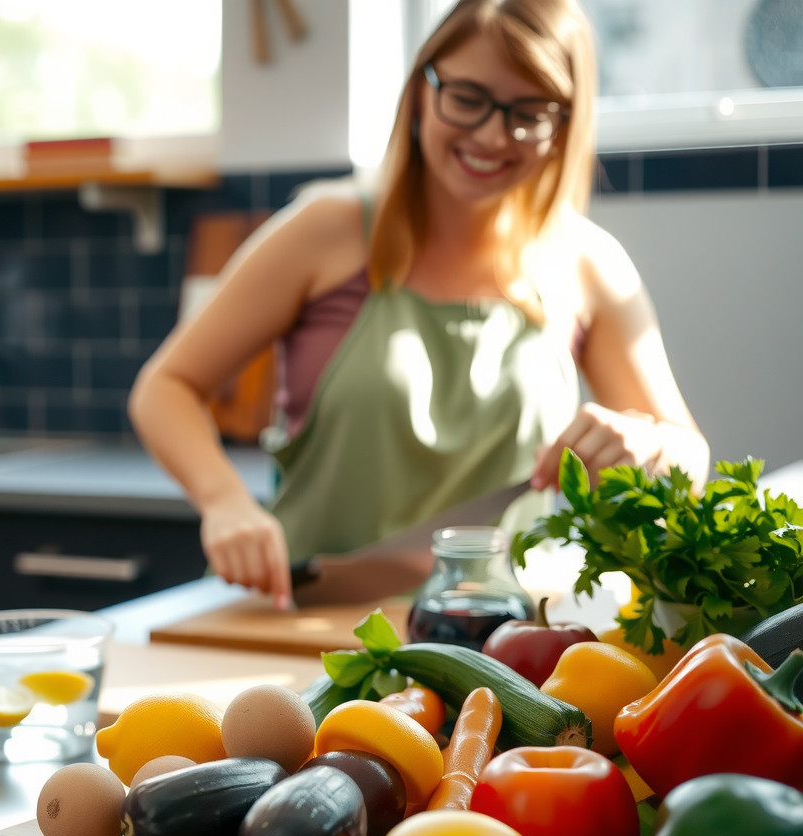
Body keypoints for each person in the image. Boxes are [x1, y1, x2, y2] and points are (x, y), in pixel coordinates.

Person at [128, 0, 708, 611]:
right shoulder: (327, 228)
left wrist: (647, 445)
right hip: (303, 617)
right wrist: (224, 501)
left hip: (505, 640)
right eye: (467, 97)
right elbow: (166, 386)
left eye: (529, 111)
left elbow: (689, 455)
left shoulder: (589, 264)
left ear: (565, 123)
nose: (491, 134)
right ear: (421, 91)